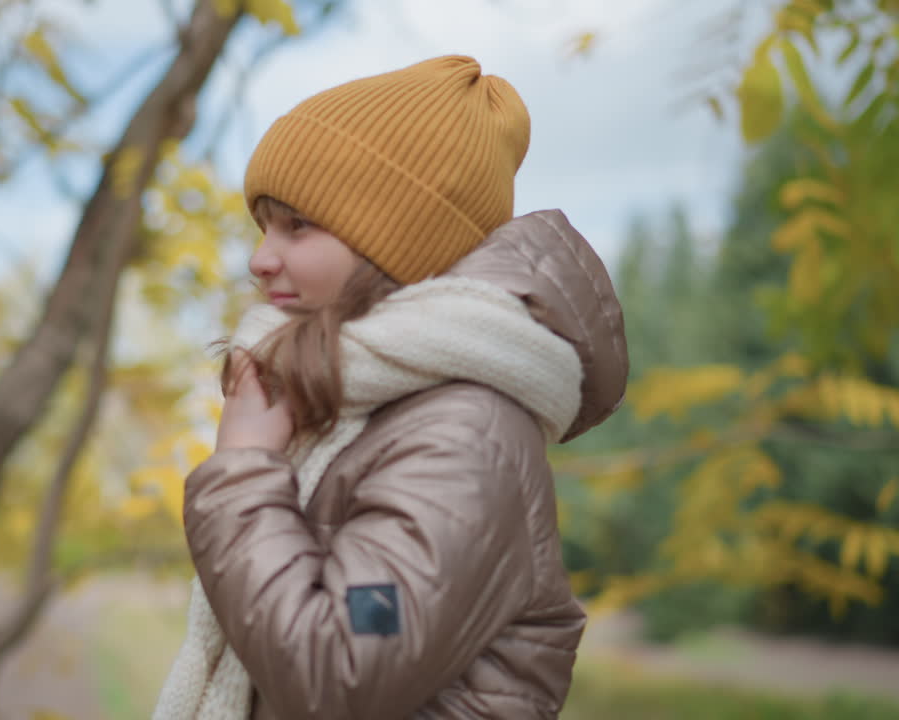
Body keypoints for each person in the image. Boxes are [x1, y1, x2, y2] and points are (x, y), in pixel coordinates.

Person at [153, 55, 628, 720]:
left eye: (297, 225)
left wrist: (242, 468)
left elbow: (340, 673)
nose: (260, 258)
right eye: (263, 225)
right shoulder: (361, 402)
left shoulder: (465, 435)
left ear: (395, 242)